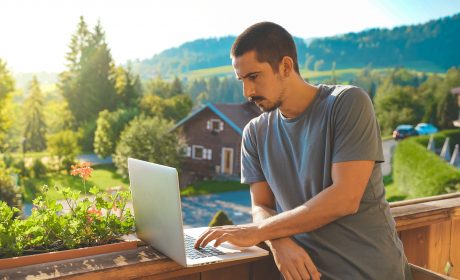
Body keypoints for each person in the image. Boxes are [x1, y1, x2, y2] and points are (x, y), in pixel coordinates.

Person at [194, 22, 412, 280]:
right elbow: (261, 205)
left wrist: (258, 232)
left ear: (286, 66)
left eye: (254, 77)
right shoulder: (254, 133)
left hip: (369, 273)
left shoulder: (347, 103)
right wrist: (278, 241)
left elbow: (345, 198)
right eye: (242, 80)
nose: (248, 91)